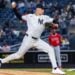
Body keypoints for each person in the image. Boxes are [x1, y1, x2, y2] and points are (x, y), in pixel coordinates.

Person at [0, 1, 65, 74]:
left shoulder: (45, 17)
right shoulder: (29, 16)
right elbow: (19, 17)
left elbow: (54, 21)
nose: (44, 10)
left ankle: (55, 68)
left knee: (50, 49)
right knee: (18, 55)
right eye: (42, 9)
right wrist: (14, 9)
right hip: (28, 39)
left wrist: (56, 24)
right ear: (38, 9)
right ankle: (1, 61)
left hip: (37, 40)